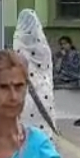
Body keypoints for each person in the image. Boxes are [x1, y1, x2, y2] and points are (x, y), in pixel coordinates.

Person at [12, 9, 57, 140]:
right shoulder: (43, 46)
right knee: (45, 134)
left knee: (26, 135)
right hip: (44, 95)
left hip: (26, 95)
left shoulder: (19, 42)